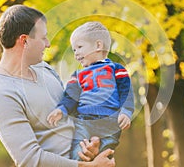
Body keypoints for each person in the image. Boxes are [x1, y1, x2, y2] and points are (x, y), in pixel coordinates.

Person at [0, 5, 115, 167]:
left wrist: (90, 146)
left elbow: (71, 118)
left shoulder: (44, 69)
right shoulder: (1, 94)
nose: (48, 44)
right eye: (43, 38)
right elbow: (30, 159)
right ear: (24, 41)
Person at [47, 21, 134, 160]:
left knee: (107, 149)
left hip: (110, 120)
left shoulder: (117, 69)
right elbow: (70, 97)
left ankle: (98, 148)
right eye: (74, 49)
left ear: (98, 46)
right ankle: (85, 155)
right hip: (84, 120)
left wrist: (126, 112)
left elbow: (126, 93)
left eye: (79, 47)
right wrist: (61, 109)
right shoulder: (77, 75)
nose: (76, 53)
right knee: (78, 150)